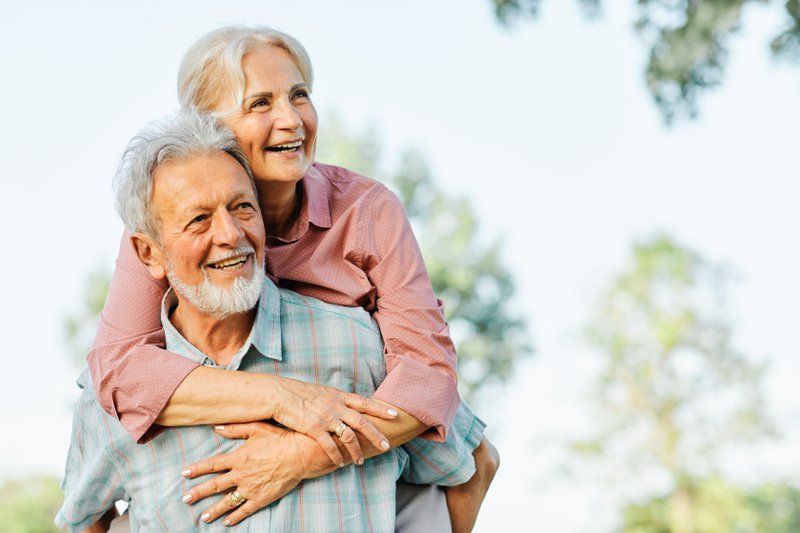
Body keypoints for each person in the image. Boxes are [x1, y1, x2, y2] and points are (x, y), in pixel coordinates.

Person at [88, 25, 498, 530]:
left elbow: (429, 374)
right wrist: (286, 399)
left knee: (475, 458)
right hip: (259, 399)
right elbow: (118, 370)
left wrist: (298, 457)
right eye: (260, 103)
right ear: (206, 127)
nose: (291, 119)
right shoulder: (169, 218)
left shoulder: (367, 209)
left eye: (299, 95)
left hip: (358, 408)